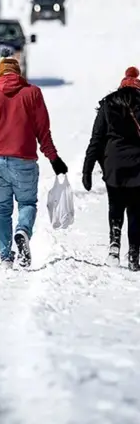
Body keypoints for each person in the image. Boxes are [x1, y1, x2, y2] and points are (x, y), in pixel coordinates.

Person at [0, 49, 68, 268]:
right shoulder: (33, 93)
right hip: (24, 160)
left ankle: (5, 258)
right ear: (18, 72)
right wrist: (54, 159)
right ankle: (22, 231)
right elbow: (44, 132)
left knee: (2, 209)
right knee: (27, 203)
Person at [82, 67, 140, 271]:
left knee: (115, 206)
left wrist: (87, 169)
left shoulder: (108, 104)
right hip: (138, 165)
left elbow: (96, 139)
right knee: (135, 211)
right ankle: (134, 254)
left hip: (113, 165)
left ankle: (114, 248)